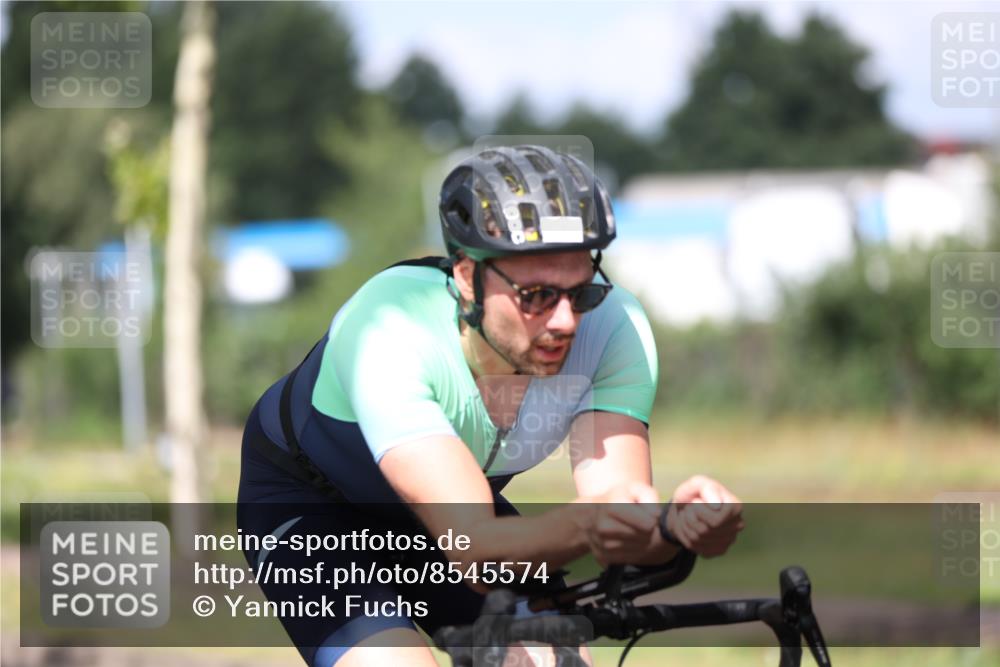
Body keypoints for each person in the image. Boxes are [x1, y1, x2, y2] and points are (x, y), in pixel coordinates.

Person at [237, 145, 744, 667]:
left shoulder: (615, 330)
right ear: (466, 275)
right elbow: (475, 549)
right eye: (536, 296)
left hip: (449, 511)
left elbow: (616, 506)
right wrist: (589, 526)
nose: (566, 321)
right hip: (315, 510)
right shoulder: (390, 326)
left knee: (556, 661)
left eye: (581, 292)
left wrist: (671, 529)